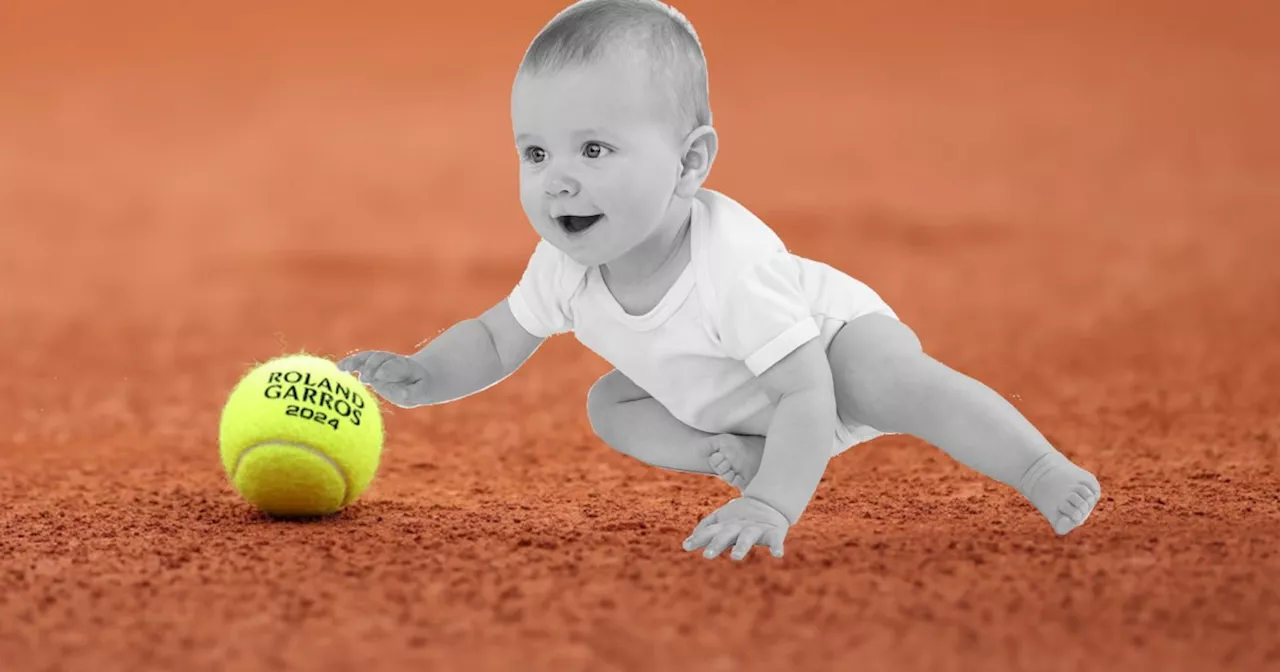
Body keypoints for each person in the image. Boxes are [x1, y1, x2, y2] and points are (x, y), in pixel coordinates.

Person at [338, 0, 1102, 562]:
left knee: (899, 385)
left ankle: (1037, 464)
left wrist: (770, 501)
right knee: (611, 404)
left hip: (824, 351)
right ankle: (723, 448)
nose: (558, 182)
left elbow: (808, 394)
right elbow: (497, 338)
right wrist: (425, 372)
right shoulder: (568, 264)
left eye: (595, 150)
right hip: (742, 398)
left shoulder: (732, 266)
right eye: (535, 154)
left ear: (690, 164)